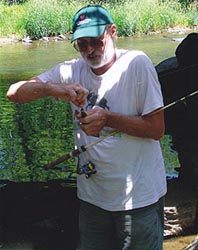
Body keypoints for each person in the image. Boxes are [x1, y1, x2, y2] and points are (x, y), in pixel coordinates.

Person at [6, 5, 167, 250]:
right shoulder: (70, 70)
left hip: (138, 200)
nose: (89, 50)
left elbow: (156, 129)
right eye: (82, 44)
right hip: (92, 200)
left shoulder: (137, 63)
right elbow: (14, 93)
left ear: (112, 32)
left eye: (95, 41)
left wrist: (108, 119)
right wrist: (54, 88)